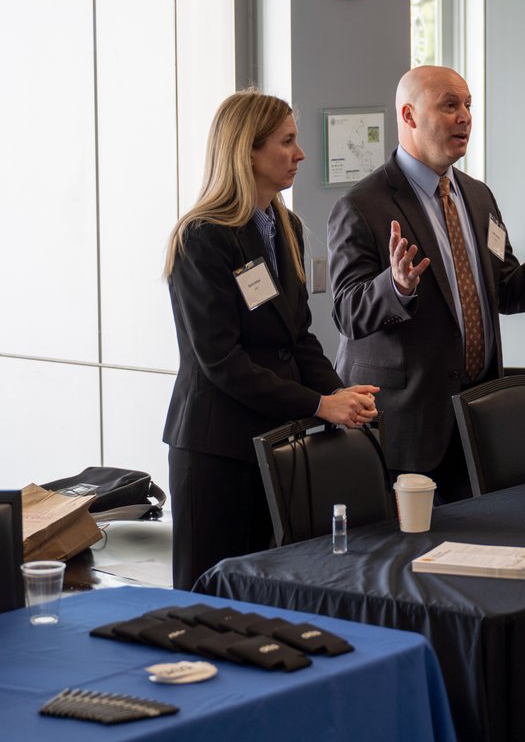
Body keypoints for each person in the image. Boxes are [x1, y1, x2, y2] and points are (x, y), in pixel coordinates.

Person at [328, 66, 525, 502]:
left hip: (477, 416)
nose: (465, 117)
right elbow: (346, 312)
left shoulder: (477, 196)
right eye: (450, 105)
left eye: (468, 105)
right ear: (409, 117)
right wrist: (396, 287)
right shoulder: (361, 206)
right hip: (407, 426)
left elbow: (503, 287)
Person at [163, 89, 380, 589]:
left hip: (277, 445)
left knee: (271, 597)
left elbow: (297, 336)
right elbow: (222, 361)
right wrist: (319, 403)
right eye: (287, 142)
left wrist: (340, 396)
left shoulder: (286, 226)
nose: (300, 154)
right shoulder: (201, 237)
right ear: (247, 151)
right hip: (217, 455)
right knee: (212, 602)